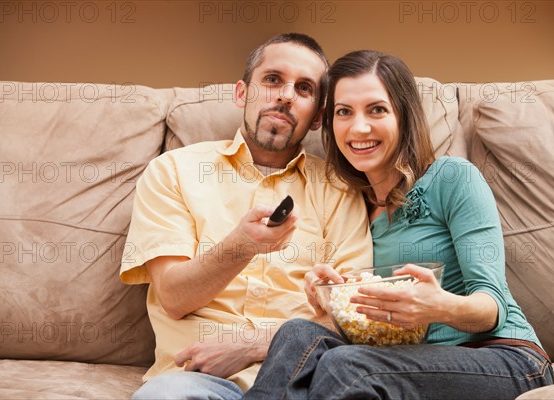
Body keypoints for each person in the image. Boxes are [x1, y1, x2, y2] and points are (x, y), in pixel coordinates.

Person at [244, 50, 554, 399]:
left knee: (346, 366)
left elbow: (491, 308)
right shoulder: (350, 205)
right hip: (406, 361)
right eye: (344, 112)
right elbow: (376, 322)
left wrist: (439, 306)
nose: (359, 127)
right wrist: (335, 302)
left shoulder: (452, 178)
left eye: (377, 110)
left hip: (503, 357)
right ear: (330, 124)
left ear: (404, 116)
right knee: (297, 333)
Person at [119, 34, 373, 400]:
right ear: (242, 94)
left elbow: (351, 316)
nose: (285, 95)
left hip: (305, 380)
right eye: (272, 80)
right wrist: (241, 247)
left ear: (318, 117)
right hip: (194, 382)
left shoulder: (339, 189)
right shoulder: (174, 170)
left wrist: (255, 345)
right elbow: (173, 295)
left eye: (303, 88)